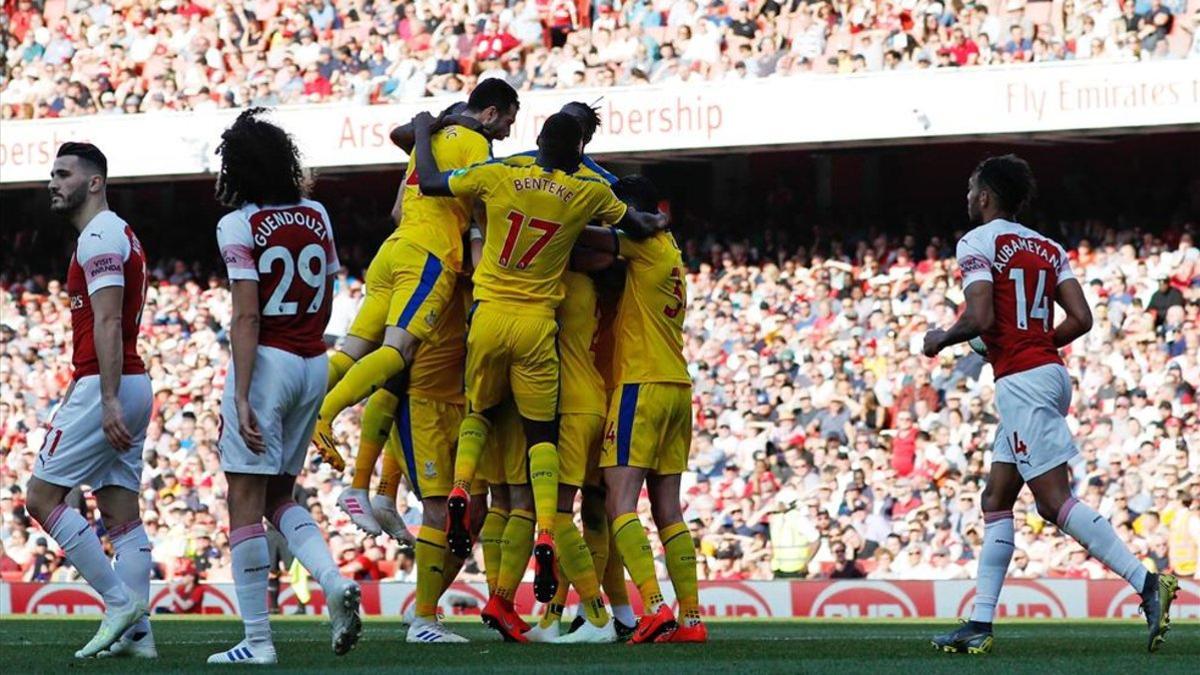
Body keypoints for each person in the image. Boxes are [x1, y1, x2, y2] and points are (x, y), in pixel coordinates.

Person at [411, 111, 665, 640]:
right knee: (540, 451)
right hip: (537, 332)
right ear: (577, 149)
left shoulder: (499, 174)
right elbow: (631, 225)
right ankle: (574, 577)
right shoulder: (584, 200)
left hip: (486, 318)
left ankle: (461, 487)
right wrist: (654, 220)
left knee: (485, 434)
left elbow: (432, 183)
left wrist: (422, 130)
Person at [924, 154, 1178, 655]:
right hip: (1047, 372)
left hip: (1022, 380)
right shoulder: (1047, 246)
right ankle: (979, 623)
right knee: (996, 498)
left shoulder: (975, 242)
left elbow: (979, 316)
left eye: (972, 190)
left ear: (985, 196)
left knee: (1053, 501)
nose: (968, 197)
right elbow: (1081, 318)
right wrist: (1037, 341)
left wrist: (942, 338)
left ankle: (1147, 583)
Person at [314, 79, 521, 537]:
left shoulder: (425, 145)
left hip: (393, 250)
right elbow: (483, 211)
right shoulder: (475, 145)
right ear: (489, 114)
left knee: (355, 351)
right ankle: (326, 415)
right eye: (508, 119)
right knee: (400, 354)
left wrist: (428, 130)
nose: (508, 130)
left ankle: (317, 417)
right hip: (429, 255)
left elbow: (395, 209)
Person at [207, 108, 362, 664]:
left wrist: (245, 394)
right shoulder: (317, 213)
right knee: (279, 495)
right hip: (313, 358)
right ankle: (330, 578)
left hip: (269, 359)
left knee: (244, 501)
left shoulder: (237, 223)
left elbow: (246, 316)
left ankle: (257, 640)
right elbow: (326, 291)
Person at [25, 142, 155, 659]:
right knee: (122, 514)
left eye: (63, 173)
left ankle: (119, 602)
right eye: (51, 174)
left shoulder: (99, 236)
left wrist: (105, 398)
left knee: (41, 498)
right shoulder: (119, 233)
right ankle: (140, 641)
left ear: (95, 181)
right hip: (132, 379)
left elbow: (105, 320)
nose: (52, 182)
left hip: (108, 381)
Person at [574, 175, 707, 643]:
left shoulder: (642, 241)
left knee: (619, 502)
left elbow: (586, 235)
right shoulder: (670, 250)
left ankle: (652, 606)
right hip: (677, 386)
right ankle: (690, 618)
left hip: (641, 385)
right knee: (668, 509)